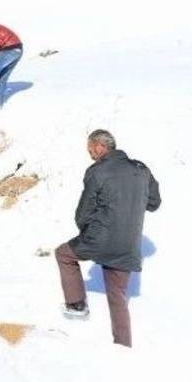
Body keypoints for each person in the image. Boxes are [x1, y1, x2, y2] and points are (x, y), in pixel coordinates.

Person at [55, 130, 161, 347]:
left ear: (99, 147)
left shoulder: (97, 171)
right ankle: (123, 346)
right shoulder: (141, 170)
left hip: (99, 238)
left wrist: (86, 232)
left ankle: (76, 305)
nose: (90, 155)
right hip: (129, 244)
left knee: (64, 254)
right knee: (117, 296)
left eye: (90, 150)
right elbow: (154, 203)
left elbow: (84, 211)